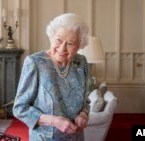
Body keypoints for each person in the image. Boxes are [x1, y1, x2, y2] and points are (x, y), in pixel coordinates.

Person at [13, 13, 91, 141]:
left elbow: (86, 100)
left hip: (76, 138)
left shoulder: (81, 63)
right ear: (52, 37)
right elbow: (20, 109)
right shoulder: (35, 63)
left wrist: (84, 114)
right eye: (59, 40)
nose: (62, 48)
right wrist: (55, 121)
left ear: (79, 45)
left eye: (70, 43)